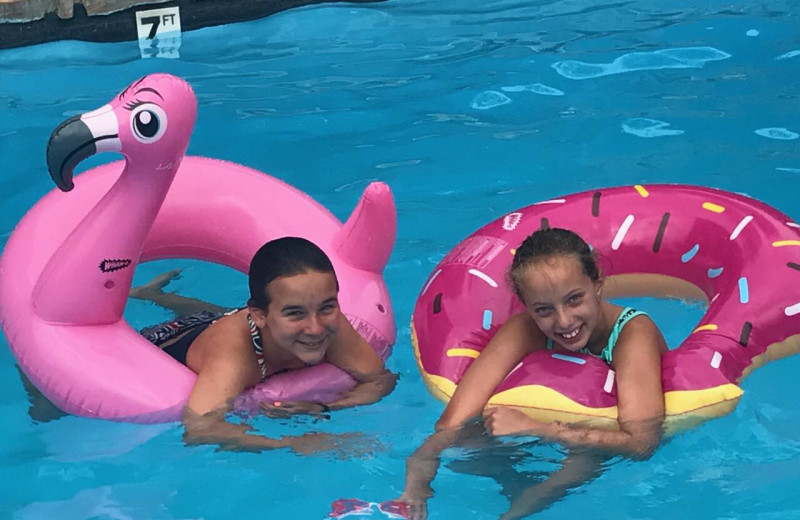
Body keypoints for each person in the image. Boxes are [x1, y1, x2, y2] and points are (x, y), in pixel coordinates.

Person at [399, 227, 667, 519]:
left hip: (606, 457)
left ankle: (515, 512)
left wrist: (540, 429)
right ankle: (513, 488)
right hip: (551, 440)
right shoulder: (525, 329)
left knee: (586, 458)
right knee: (468, 443)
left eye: (575, 299)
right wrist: (417, 478)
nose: (564, 321)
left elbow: (642, 443)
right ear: (526, 307)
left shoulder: (632, 334)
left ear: (598, 284)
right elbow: (453, 421)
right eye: (543, 310)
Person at [130, 236, 397, 453]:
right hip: (168, 341)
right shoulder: (232, 357)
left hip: (228, 321)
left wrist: (325, 408)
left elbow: (380, 380)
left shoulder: (332, 326)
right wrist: (293, 443)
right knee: (209, 322)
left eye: (327, 307)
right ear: (259, 315)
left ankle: (154, 294)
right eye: (296, 313)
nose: (316, 328)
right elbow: (200, 429)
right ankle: (148, 296)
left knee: (217, 315)